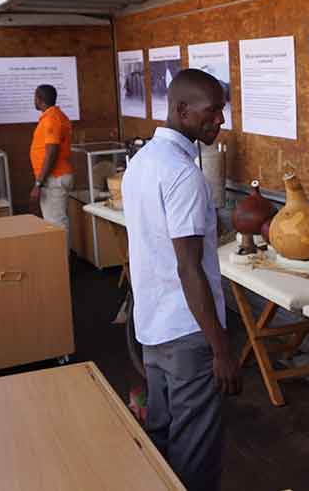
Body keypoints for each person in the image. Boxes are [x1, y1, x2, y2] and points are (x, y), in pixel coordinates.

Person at [121, 69, 240, 491]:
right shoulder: (183, 174)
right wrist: (221, 349)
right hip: (189, 334)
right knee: (195, 454)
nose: (220, 122)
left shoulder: (142, 162)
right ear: (182, 110)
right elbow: (188, 267)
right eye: (212, 113)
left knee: (162, 435)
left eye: (221, 112)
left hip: (154, 327)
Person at [28, 84, 73, 247]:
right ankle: (61, 262)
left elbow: (51, 153)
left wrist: (38, 183)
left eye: (35, 97)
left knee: (56, 224)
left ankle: (61, 267)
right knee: (57, 221)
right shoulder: (55, 116)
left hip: (54, 178)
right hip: (55, 177)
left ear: (39, 99)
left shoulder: (51, 119)